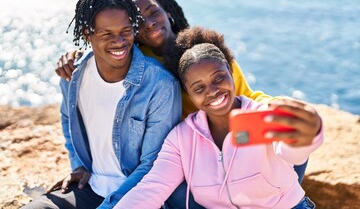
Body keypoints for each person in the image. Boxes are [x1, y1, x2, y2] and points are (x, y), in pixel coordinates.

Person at [54, 0, 314, 207]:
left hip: (232, 135)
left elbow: (246, 97)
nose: (149, 22)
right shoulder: (139, 62)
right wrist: (74, 58)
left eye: (153, 12)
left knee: (287, 145)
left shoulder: (208, 54)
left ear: (167, 12)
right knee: (174, 194)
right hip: (189, 151)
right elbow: (107, 50)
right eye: (138, 21)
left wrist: (275, 107)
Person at [114, 26, 323, 209]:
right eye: (199, 87)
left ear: (231, 73)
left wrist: (308, 135)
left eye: (218, 78)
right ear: (188, 92)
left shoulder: (261, 115)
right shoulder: (181, 139)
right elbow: (153, 188)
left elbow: (292, 152)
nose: (212, 91)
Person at [22, 0, 182, 209]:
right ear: (88, 34)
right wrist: (79, 166)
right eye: (107, 34)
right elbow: (68, 119)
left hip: (137, 196)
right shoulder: (73, 75)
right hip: (90, 187)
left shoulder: (160, 85)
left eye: (126, 31)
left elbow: (153, 166)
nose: (119, 42)